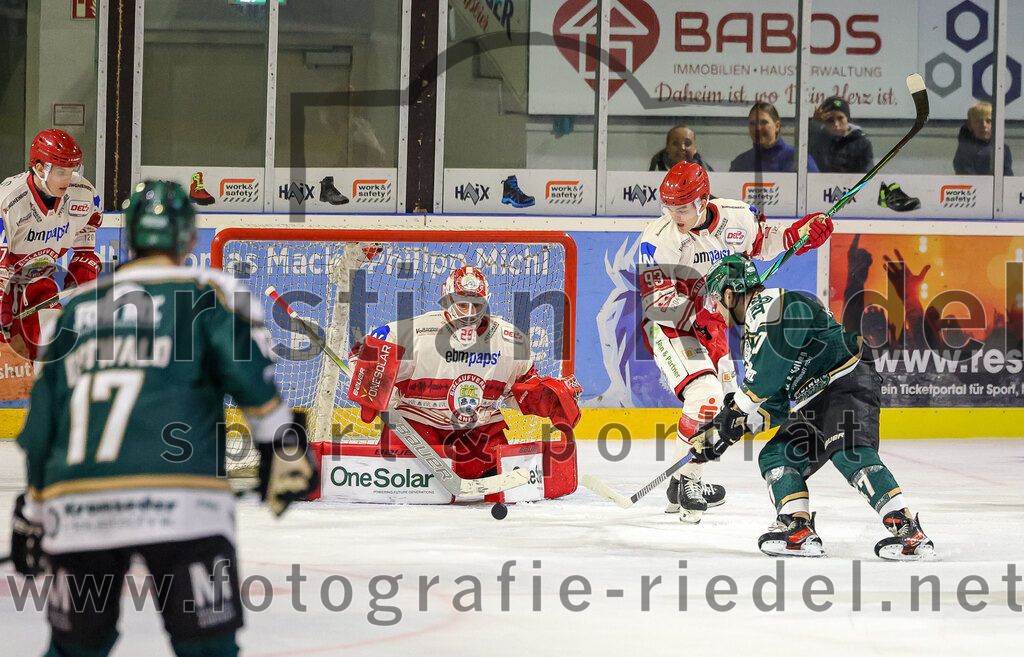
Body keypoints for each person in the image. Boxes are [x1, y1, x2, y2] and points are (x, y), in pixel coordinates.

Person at [10, 180, 318, 656]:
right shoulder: (208, 293)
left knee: (72, 650)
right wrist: (282, 441)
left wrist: (31, 516)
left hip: (79, 510)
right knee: (209, 648)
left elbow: (40, 433)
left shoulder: (77, 308)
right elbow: (249, 380)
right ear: (189, 240)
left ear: (130, 238)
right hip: (183, 506)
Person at [696, 254, 935, 560]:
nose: (716, 308)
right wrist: (727, 432)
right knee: (777, 454)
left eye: (717, 300)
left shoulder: (775, 304)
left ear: (730, 295)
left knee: (848, 450)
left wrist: (732, 414)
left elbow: (764, 382)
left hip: (845, 379)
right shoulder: (754, 333)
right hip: (814, 400)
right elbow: (777, 402)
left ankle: (909, 532)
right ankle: (797, 529)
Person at [638, 161, 833, 522]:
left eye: (682, 207)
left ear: (702, 199)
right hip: (673, 328)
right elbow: (656, 302)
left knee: (726, 407)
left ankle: (683, 480)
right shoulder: (658, 238)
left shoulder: (737, 217)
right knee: (704, 396)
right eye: (669, 207)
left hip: (714, 323)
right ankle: (688, 482)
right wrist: (700, 309)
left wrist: (801, 234)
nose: (674, 215)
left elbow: (767, 241)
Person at [347, 265, 583, 483]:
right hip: (417, 426)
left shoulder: (510, 339)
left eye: (477, 305)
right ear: (447, 300)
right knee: (398, 481)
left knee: (500, 481)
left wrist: (545, 396)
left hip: (477, 430)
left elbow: (520, 387)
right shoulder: (412, 332)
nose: (469, 313)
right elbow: (361, 353)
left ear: (486, 303)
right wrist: (369, 379)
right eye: (461, 304)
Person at [0, 129, 103, 360]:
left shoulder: (83, 193)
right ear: (39, 168)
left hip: (40, 288)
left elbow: (87, 232)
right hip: (5, 286)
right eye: (61, 172)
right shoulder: (9, 201)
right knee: (7, 366)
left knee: (58, 353)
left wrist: (83, 267)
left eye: (72, 170)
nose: (68, 179)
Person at [730, 102, 819, 173]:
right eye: (752, 123)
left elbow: (816, 190)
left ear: (777, 126)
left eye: (763, 122)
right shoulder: (741, 163)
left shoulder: (798, 160)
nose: (757, 128)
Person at [808, 96, 874, 173]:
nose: (836, 124)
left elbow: (867, 173)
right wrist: (815, 124)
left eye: (840, 118)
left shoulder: (861, 143)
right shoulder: (818, 141)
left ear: (847, 119)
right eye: (830, 120)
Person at [953, 100, 1014, 175]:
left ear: (997, 124)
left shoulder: (1003, 149)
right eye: (978, 121)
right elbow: (965, 174)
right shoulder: (965, 149)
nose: (984, 125)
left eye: (989, 121)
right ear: (970, 125)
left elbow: (1007, 177)